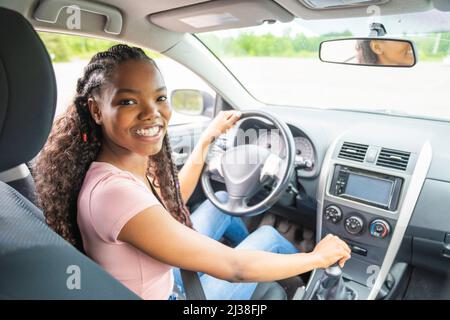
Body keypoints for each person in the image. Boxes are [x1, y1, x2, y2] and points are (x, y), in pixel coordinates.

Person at [33, 44, 351, 300]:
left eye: (159, 97)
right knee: (267, 235)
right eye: (129, 101)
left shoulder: (117, 168)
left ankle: (265, 266)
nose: (152, 113)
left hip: (158, 275)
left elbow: (170, 204)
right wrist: (318, 258)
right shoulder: (114, 193)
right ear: (95, 110)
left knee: (222, 198)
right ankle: (306, 282)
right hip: (172, 294)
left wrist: (206, 140)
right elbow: (234, 267)